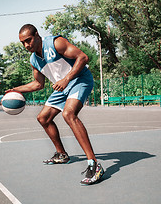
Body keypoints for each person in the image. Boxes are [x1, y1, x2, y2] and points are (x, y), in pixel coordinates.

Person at [6, 24, 104, 185]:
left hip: (80, 80)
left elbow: (83, 57)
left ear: (37, 35)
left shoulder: (56, 43)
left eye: (28, 40)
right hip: (62, 87)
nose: (26, 45)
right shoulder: (34, 60)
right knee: (43, 118)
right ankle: (61, 154)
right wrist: (15, 90)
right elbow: (38, 84)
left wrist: (66, 79)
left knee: (69, 114)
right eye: (23, 43)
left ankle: (94, 164)